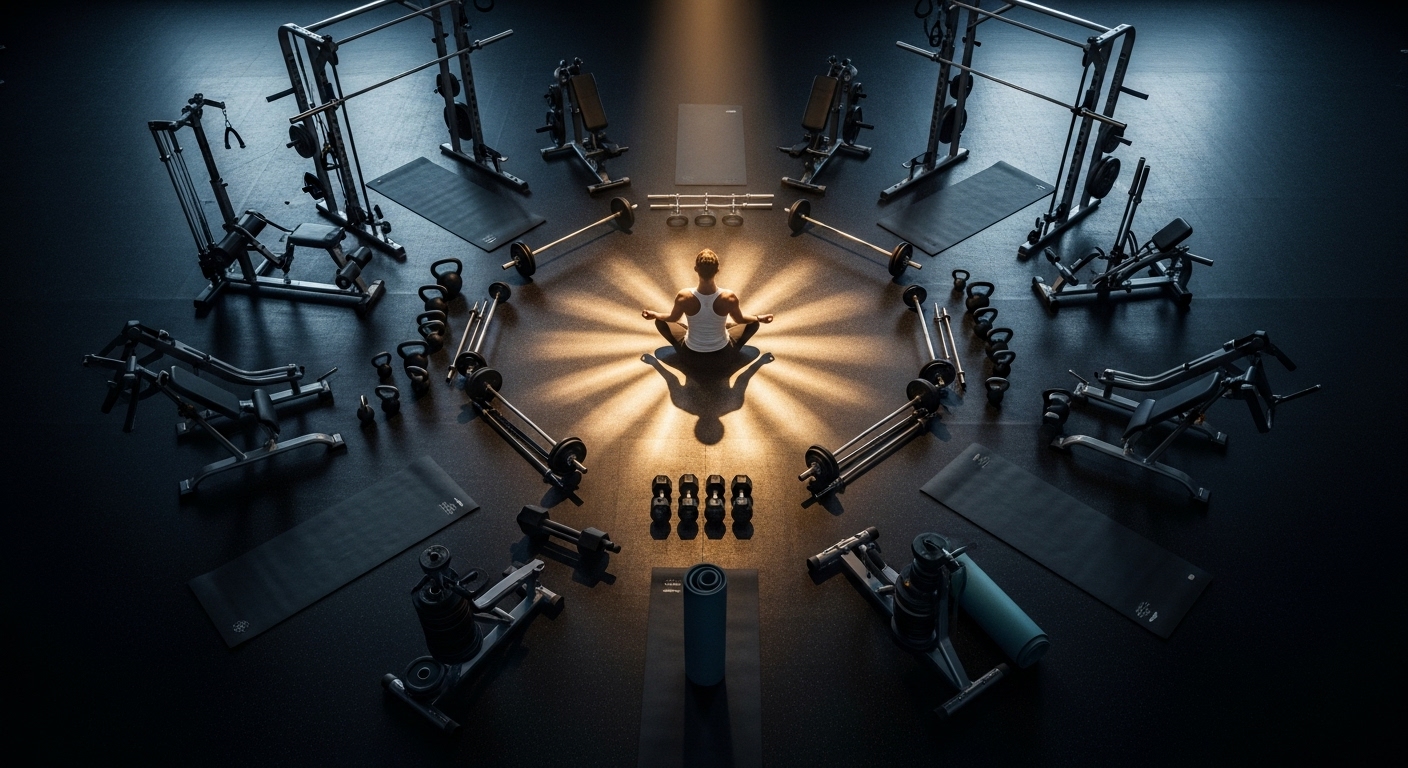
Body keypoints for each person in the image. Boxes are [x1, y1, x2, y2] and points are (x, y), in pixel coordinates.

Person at [641, 248, 773, 359]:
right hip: (723, 357)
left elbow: (672, 318)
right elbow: (740, 319)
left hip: (690, 357)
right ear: (717, 270)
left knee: (660, 321)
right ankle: (729, 347)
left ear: (695, 269)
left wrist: (654, 314)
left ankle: (687, 352)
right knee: (753, 322)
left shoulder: (684, 296)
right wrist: (759, 318)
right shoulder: (729, 297)